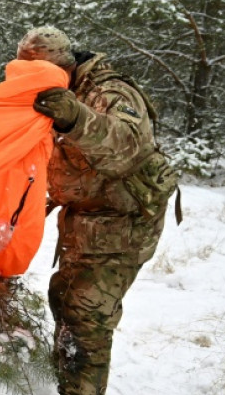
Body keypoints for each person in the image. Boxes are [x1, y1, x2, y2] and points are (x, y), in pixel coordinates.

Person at [17, 26, 179, 395]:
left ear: (65, 68)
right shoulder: (44, 94)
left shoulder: (109, 92)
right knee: (64, 300)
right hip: (85, 217)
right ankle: (66, 380)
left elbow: (128, 146)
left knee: (85, 318)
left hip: (124, 221)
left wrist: (75, 118)